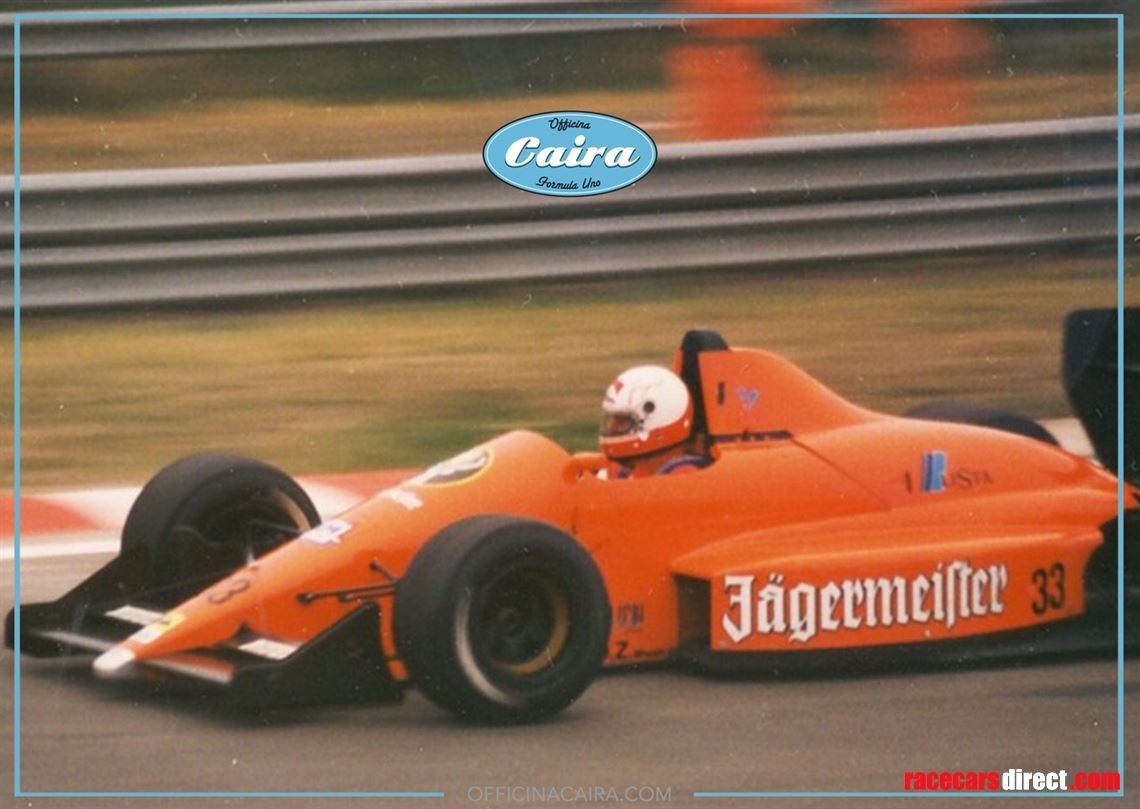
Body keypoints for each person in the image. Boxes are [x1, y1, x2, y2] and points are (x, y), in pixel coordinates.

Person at [599, 365, 709, 479]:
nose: (612, 427)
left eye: (622, 422)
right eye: (612, 420)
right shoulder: (624, 470)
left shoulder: (683, 478)